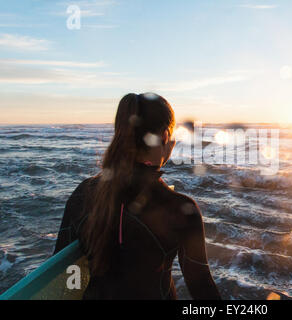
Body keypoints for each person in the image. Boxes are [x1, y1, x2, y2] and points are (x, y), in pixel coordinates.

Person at [54, 93, 221, 300]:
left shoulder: (83, 194)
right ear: (165, 138)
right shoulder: (180, 209)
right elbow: (203, 290)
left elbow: (62, 279)